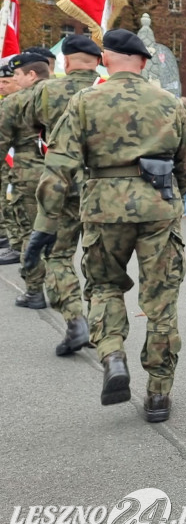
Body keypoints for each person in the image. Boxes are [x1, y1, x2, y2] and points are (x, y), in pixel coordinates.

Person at [25, 29, 186, 422]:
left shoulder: (85, 102)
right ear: (142, 62)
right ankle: (158, 393)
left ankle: (113, 357)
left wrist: (45, 224)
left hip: (103, 208)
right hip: (158, 209)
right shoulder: (169, 102)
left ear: (106, 59)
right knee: (160, 302)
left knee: (104, 286)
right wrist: (166, 196)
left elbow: (59, 167)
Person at [22, 34, 103, 355]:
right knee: (99, 263)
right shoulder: (108, 90)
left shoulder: (45, 91)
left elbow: (30, 127)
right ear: (98, 61)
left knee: (58, 255)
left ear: (66, 61)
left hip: (61, 186)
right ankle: (101, 326)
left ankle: (74, 320)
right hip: (102, 189)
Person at [0, 51, 51, 308]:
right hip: (63, 177)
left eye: (17, 74)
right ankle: (63, 291)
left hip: (28, 179)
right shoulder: (67, 97)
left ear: (31, 74)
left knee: (28, 236)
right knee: (60, 240)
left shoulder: (14, 102)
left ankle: (34, 290)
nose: (14, 80)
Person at [0, 58, 23, 264]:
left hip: (23, 162)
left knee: (16, 202)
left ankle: (16, 244)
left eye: (6, 81)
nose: (1, 85)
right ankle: (10, 239)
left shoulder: (23, 102)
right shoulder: (6, 103)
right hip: (10, 161)